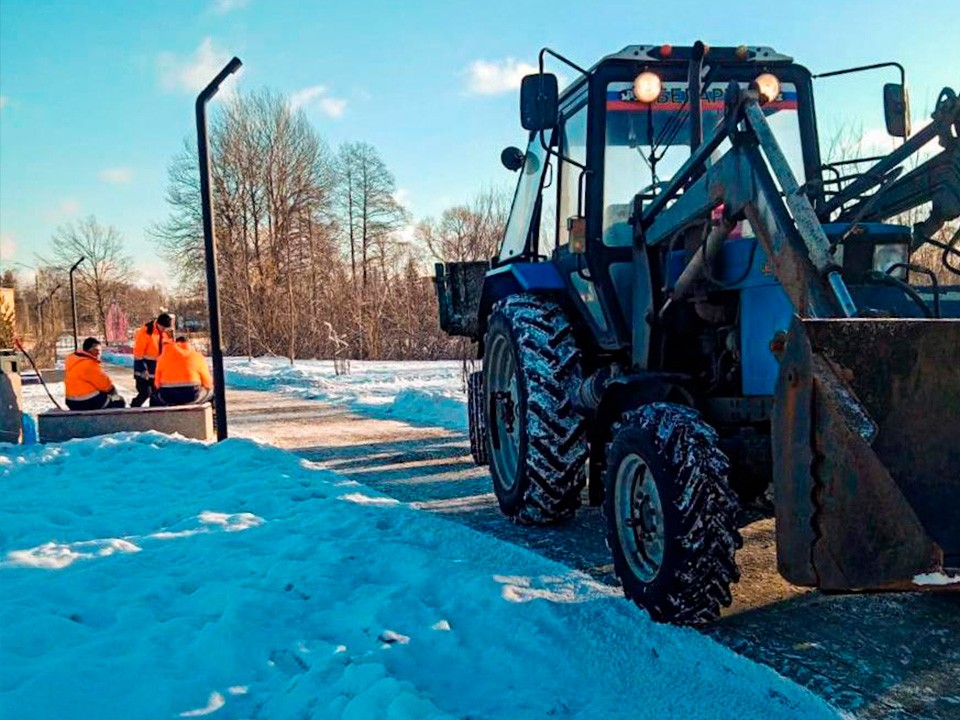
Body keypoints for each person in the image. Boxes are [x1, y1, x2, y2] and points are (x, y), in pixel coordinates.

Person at [64, 338, 126, 411]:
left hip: (71, 401)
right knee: (119, 402)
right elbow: (104, 385)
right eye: (95, 350)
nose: (98, 353)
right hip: (86, 400)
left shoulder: (75, 361)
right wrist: (114, 393)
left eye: (100, 350)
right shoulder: (89, 364)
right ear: (87, 350)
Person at [152, 336, 213, 407]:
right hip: (192, 395)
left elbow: (157, 383)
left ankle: (156, 416)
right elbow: (207, 382)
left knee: (154, 397)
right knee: (212, 393)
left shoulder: (162, 357)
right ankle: (212, 416)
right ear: (188, 344)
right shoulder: (197, 356)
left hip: (168, 397)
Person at [131, 312, 174, 407]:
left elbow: (169, 349)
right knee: (146, 392)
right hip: (144, 368)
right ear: (158, 323)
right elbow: (138, 352)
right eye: (163, 327)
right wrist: (142, 369)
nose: (164, 329)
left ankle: (154, 413)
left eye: (166, 328)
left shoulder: (167, 333)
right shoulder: (146, 331)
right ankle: (134, 408)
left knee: (157, 395)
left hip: (158, 370)